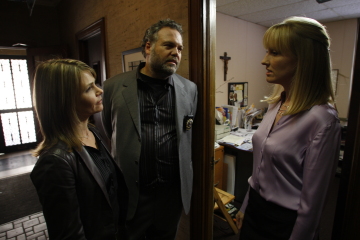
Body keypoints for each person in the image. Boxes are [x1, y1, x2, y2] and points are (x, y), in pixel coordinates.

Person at [236, 16, 341, 240]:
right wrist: (245, 206)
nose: (264, 60)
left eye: (275, 53)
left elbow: (313, 205)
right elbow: (259, 172)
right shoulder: (276, 104)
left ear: (303, 59)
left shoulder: (322, 120)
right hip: (255, 209)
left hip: (284, 223)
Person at [102, 19, 198, 240]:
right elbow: (111, 130)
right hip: (133, 195)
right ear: (148, 47)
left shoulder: (190, 89)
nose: (176, 52)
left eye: (180, 48)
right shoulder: (113, 87)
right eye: (169, 45)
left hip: (171, 196)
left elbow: (188, 136)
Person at [30, 59, 128, 239]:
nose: (100, 91)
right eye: (89, 88)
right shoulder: (55, 162)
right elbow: (69, 234)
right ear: (65, 100)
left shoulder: (91, 131)